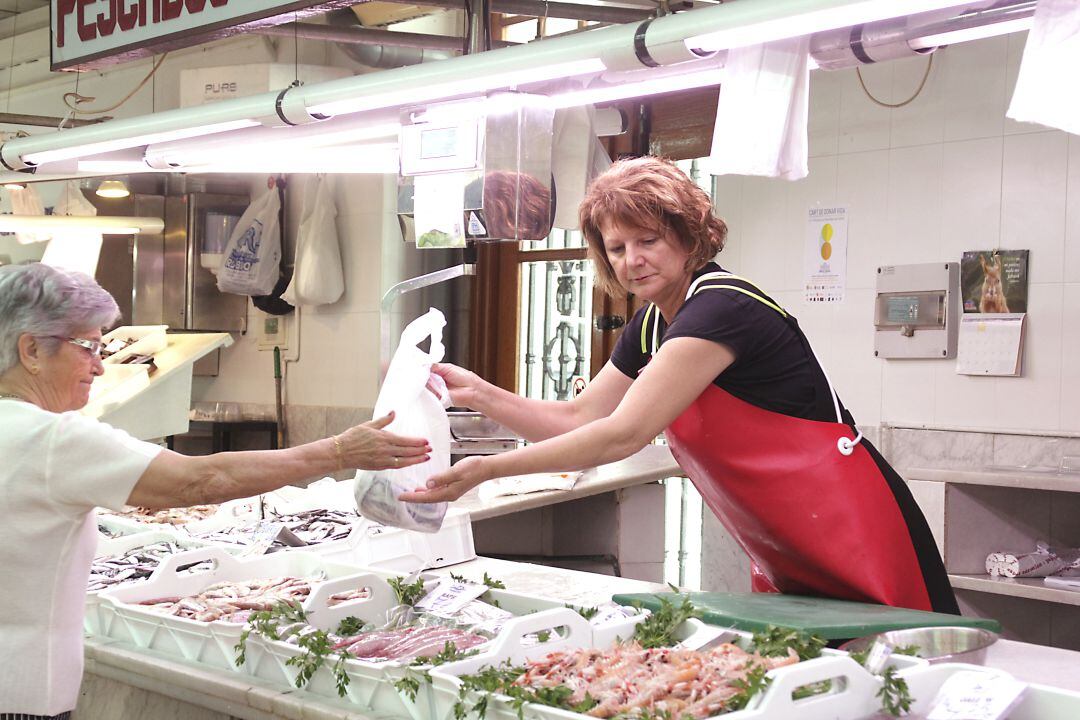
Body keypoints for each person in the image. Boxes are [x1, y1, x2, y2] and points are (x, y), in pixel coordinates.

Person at [403, 156, 959, 616]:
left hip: (855, 528)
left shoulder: (722, 308)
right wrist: (479, 392)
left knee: (906, 679)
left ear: (690, 238)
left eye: (648, 240)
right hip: (787, 541)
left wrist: (487, 469)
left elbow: (622, 434)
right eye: (617, 248)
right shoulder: (651, 324)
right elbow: (580, 418)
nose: (632, 261)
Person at [0, 263, 431, 719]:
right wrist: (340, 451)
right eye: (88, 347)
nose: (100, 366)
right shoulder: (51, 439)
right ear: (31, 350)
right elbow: (198, 480)